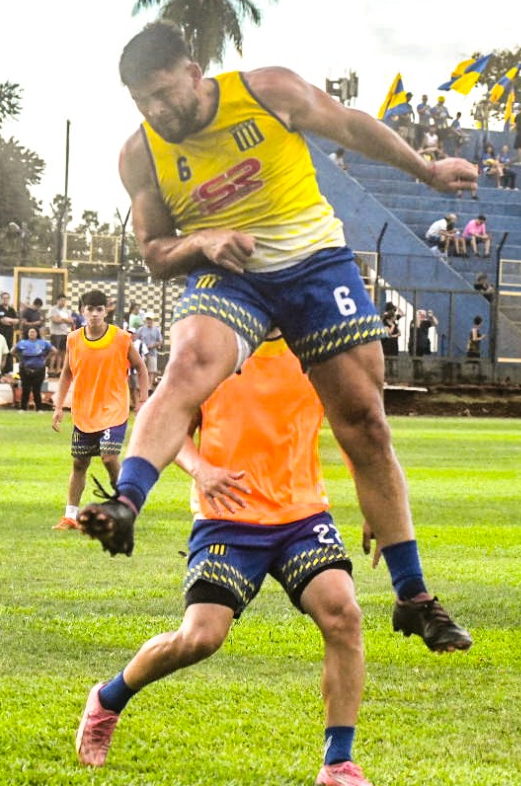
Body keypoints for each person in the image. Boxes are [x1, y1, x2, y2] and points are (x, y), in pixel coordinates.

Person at [78, 21, 475, 652]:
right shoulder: (141, 153)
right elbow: (155, 251)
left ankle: (414, 596)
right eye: (141, 102)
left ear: (193, 69)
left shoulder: (266, 92)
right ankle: (126, 500)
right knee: (187, 367)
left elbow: (348, 124)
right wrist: (202, 241)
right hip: (230, 274)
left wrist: (426, 171)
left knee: (365, 421)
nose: (156, 111)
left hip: (314, 260)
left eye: (162, 93)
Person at [75, 332, 374, 785]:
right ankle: (108, 701)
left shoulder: (315, 351)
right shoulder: (214, 350)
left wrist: (375, 501)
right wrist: (203, 470)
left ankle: (338, 764)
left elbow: (356, 424)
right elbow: (170, 425)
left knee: (343, 615)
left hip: (302, 515)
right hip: (227, 519)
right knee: (200, 638)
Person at [52, 290, 149, 530]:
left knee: (108, 457)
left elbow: (141, 368)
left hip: (114, 409)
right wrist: (58, 406)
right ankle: (70, 516)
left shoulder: (121, 338)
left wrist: (143, 400)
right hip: (85, 411)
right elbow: (66, 374)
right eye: (89, 309)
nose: (94, 314)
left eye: (99, 309)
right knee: (79, 463)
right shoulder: (73, 339)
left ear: (106, 311)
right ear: (82, 311)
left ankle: (123, 507)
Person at [12, 326, 51, 411]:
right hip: (25, 368)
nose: (32, 334)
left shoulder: (43, 343)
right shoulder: (22, 343)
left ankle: (39, 408)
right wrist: (19, 358)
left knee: (37, 389)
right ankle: (23, 408)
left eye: (34, 332)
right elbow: (12, 351)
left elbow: (53, 350)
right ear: (28, 333)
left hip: (39, 368)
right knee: (25, 388)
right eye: (30, 332)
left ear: (37, 333)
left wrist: (46, 359)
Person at [47, 294, 75, 375]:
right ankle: (51, 369)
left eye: (64, 300)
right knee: (54, 352)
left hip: (64, 333)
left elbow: (71, 321)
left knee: (62, 352)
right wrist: (64, 319)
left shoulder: (66, 310)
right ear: (57, 300)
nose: (63, 302)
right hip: (55, 333)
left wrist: (62, 318)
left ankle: (59, 369)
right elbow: (55, 320)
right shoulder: (53, 309)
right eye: (61, 300)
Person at [134, 314, 164, 383]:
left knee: (151, 371)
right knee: (142, 370)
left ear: (153, 320)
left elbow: (160, 341)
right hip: (142, 354)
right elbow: (136, 340)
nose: (149, 321)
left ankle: (149, 387)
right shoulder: (141, 329)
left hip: (152, 353)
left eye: (150, 319)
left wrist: (153, 345)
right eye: (148, 319)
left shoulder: (156, 330)